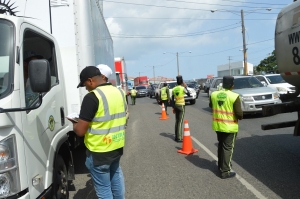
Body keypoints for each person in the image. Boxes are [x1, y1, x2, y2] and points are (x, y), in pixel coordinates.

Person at [70, 66, 126, 198]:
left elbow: (80, 132)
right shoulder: (119, 92)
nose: (86, 88)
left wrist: (74, 123)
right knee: (116, 175)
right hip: (117, 145)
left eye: (85, 85)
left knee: (104, 188)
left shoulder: (92, 97)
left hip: (99, 150)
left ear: (90, 81)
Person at [209, 76, 243, 179]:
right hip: (229, 127)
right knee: (228, 147)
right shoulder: (234, 96)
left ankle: (221, 165)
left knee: (221, 145)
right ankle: (225, 171)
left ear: (223, 84)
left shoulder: (214, 94)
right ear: (232, 85)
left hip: (218, 125)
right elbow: (239, 114)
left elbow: (211, 106)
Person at [171, 75, 190, 142]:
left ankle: (176, 136)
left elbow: (172, 99)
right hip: (181, 105)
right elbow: (188, 94)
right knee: (180, 121)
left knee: (177, 121)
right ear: (182, 81)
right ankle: (179, 137)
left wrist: (173, 107)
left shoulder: (174, 89)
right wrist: (185, 87)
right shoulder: (182, 88)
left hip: (176, 105)